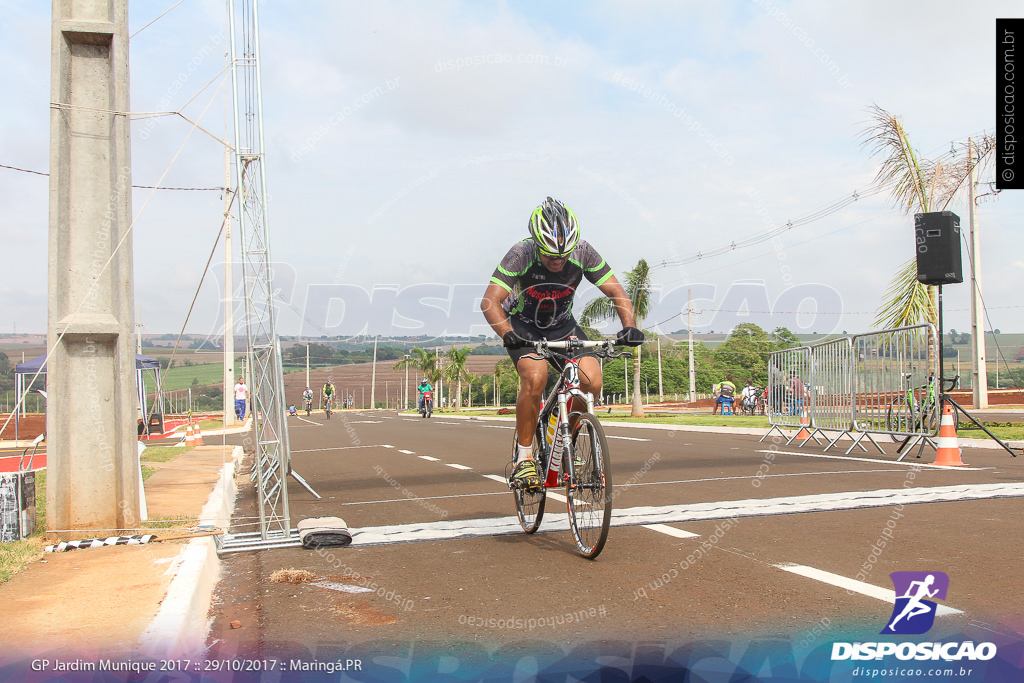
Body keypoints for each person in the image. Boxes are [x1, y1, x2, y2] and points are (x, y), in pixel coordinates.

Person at [480, 196, 644, 490]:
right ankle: (525, 459)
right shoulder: (521, 253)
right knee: (535, 376)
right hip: (523, 326)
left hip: (562, 326)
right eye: (551, 256)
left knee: (591, 381)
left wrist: (629, 327)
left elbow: (617, 292)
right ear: (536, 243)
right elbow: (489, 302)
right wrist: (507, 333)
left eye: (563, 257)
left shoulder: (583, 252)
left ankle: (561, 431)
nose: (558, 262)